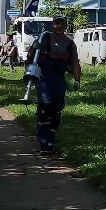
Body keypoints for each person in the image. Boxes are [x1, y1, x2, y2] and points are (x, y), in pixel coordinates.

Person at [31, 15, 81, 152]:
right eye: (56, 23)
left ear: (65, 26)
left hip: (59, 80)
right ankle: (43, 141)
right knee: (46, 106)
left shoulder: (70, 44)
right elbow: (30, 58)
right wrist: (34, 48)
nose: (59, 26)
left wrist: (77, 80)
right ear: (52, 25)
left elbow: (75, 63)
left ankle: (50, 141)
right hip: (44, 78)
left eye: (61, 24)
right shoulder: (43, 38)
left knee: (57, 110)